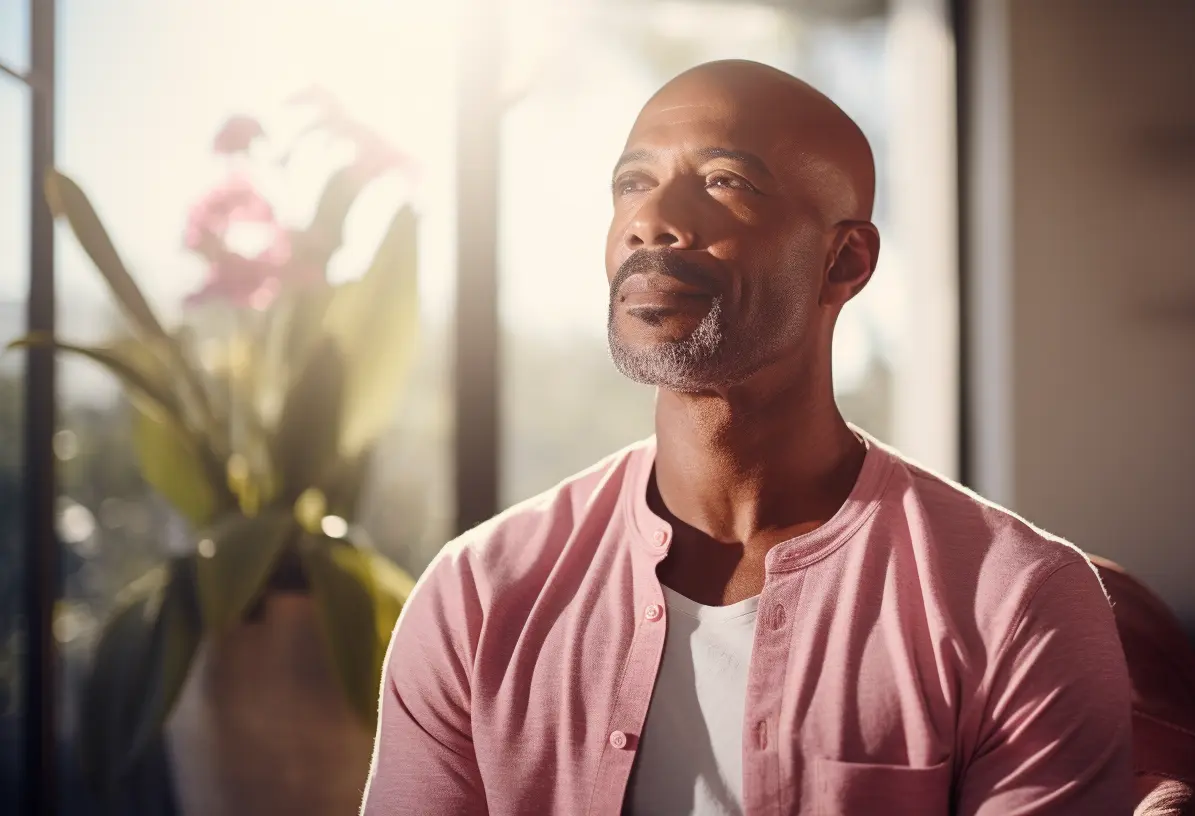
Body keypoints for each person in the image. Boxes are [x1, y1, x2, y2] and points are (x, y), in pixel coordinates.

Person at [362, 60, 1132, 815]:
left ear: (845, 260)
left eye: (724, 181)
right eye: (632, 183)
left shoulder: (1016, 603)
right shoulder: (478, 598)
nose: (650, 220)